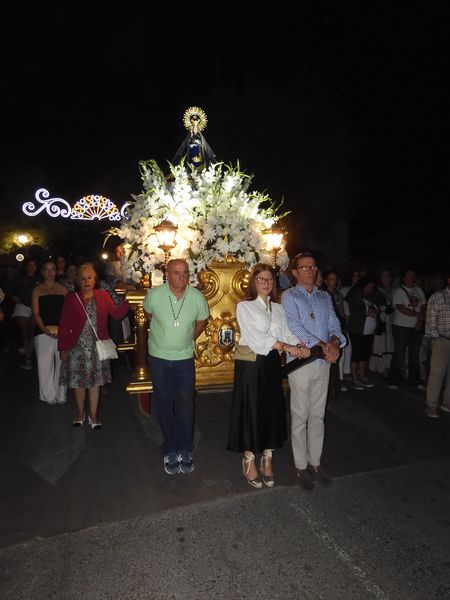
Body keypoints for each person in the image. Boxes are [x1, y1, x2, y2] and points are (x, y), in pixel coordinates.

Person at [227, 263, 310, 489]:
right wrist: (283, 345)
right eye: (261, 279)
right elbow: (253, 334)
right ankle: (248, 458)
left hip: (272, 362)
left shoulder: (278, 308)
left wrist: (300, 345)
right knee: (252, 408)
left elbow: (287, 333)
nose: (266, 283)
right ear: (253, 282)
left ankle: (267, 456)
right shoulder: (245, 306)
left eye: (270, 279)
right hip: (251, 363)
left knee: (271, 408)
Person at [282, 251, 346, 490]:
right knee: (300, 414)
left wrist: (335, 342)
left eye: (313, 267)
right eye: (304, 267)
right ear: (295, 272)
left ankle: (315, 462)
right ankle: (300, 466)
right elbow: (294, 325)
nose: (310, 271)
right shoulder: (290, 296)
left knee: (318, 414)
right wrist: (321, 344)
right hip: (302, 362)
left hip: (322, 362)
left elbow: (334, 323)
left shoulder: (324, 296)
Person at [143, 258, 209, 475]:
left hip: (184, 358)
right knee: (163, 402)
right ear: (167, 275)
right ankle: (170, 448)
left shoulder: (197, 297)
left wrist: (189, 338)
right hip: (159, 357)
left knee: (185, 402)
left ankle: (185, 448)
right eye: (177, 272)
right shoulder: (154, 295)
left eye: (185, 272)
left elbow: (202, 321)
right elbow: (148, 315)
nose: (182, 276)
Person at [58, 262, 130, 429]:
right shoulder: (71, 298)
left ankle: (94, 415)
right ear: (78, 280)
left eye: (89, 277)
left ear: (95, 279)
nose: (86, 281)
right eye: (83, 278)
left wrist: (128, 299)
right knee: (78, 383)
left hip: (97, 347)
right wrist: (62, 348)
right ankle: (79, 413)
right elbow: (64, 324)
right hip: (76, 347)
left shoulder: (103, 295)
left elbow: (117, 313)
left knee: (95, 383)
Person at [31, 260, 68, 404]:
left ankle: (61, 394)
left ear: (56, 271)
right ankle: (47, 396)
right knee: (44, 364)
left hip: (62, 331)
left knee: (62, 363)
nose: (50, 272)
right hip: (42, 331)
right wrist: (44, 329)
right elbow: (36, 313)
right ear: (42, 272)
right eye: (46, 269)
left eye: (52, 269)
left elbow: (69, 312)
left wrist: (65, 330)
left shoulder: (63, 289)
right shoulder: (37, 290)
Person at [388, 269, 426, 390]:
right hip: (401, 326)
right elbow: (401, 308)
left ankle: (414, 380)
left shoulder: (418, 290)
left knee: (414, 353)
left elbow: (423, 306)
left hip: (415, 326)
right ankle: (394, 380)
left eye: (413, 276)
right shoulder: (399, 291)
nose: (412, 278)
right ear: (404, 278)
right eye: (409, 276)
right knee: (399, 353)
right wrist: (418, 315)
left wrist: (420, 320)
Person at [345, 274, 384, 389]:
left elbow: (380, 303)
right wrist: (367, 312)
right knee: (356, 354)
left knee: (365, 355)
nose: (370, 289)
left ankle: (362, 377)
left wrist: (376, 312)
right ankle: (355, 379)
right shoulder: (355, 294)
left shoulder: (371, 296)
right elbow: (354, 306)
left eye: (372, 287)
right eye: (368, 286)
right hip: (357, 330)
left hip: (369, 331)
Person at [424, 272, 450, 418]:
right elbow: (430, 319)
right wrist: (434, 338)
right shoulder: (438, 296)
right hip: (442, 340)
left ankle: (447, 402)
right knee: (437, 373)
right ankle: (432, 405)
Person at [11, 258, 41, 369]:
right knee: (25, 333)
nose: (32, 267)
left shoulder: (40, 279)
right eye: (29, 265)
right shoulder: (19, 278)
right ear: (25, 266)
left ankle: (28, 359)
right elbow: (8, 289)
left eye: (34, 265)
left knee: (33, 333)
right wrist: (13, 296)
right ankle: (25, 349)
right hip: (22, 306)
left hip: (35, 307)